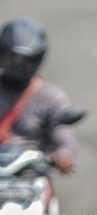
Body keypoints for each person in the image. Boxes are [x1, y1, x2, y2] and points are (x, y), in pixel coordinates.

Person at [0, 18, 75, 174]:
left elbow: (61, 131)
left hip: (31, 177)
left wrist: (63, 154)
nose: (18, 64)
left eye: (27, 60)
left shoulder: (51, 96)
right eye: (12, 57)